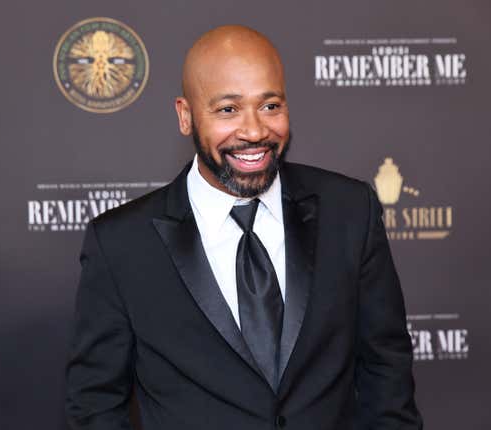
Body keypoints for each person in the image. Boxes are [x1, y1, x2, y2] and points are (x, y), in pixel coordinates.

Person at [65, 25, 422, 430]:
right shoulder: (121, 244)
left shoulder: (350, 211)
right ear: (186, 115)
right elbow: (95, 405)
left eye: (270, 106)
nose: (254, 132)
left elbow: (386, 372)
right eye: (228, 110)